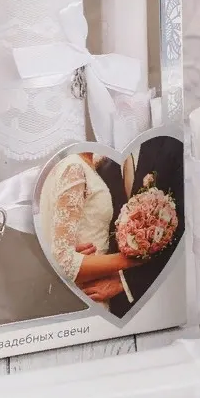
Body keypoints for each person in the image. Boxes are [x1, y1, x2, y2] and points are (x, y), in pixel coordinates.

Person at [80, 136, 184, 318]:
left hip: (167, 298)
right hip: (111, 301)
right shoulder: (102, 163)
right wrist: (74, 251)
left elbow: (187, 228)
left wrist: (127, 282)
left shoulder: (172, 144)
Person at [39, 153, 142, 307]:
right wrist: (136, 259)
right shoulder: (74, 167)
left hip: (93, 286)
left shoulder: (90, 164)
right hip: (87, 294)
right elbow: (63, 262)